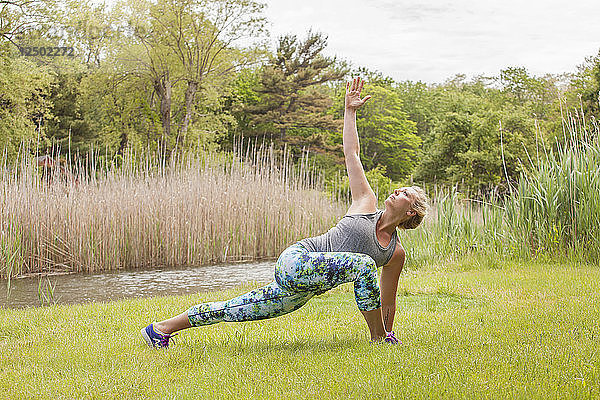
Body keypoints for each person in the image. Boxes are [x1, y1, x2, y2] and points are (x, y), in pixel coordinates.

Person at [141, 77, 429, 348]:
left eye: (406, 194)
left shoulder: (394, 253)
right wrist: (349, 112)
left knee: (236, 309)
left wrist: (391, 328)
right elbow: (351, 154)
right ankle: (376, 338)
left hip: (304, 289)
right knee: (364, 265)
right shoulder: (366, 202)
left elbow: (387, 299)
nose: (398, 191)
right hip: (296, 261)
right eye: (400, 188)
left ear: (411, 213)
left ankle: (160, 329)